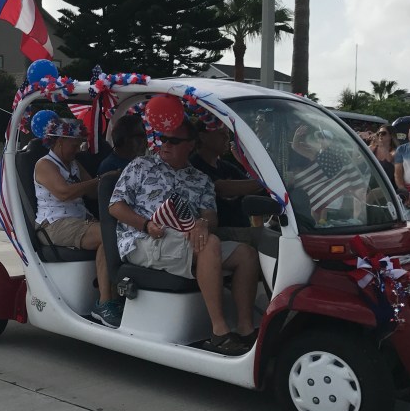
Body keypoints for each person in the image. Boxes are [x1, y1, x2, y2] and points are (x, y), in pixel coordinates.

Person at [108, 118, 260, 355]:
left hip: (184, 239)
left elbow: (211, 217)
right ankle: (219, 332)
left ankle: (245, 328)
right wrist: (146, 224)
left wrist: (202, 224)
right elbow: (115, 206)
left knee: (246, 254)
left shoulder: (201, 179)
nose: (165, 144)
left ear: (191, 144)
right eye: (163, 139)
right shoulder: (141, 166)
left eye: (174, 140)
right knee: (210, 245)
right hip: (144, 239)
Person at [34, 116, 121, 327]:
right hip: (53, 224)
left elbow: (92, 192)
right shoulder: (45, 165)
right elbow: (64, 193)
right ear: (59, 141)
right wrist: (99, 180)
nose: (77, 148)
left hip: (77, 219)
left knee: (120, 230)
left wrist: (109, 182)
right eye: (74, 144)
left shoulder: (73, 164)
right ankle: (104, 302)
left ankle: (115, 297)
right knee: (107, 235)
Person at [190, 122, 263, 242]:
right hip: (218, 233)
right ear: (202, 137)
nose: (227, 138)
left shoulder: (226, 166)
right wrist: (266, 183)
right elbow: (222, 188)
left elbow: (252, 187)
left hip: (241, 229)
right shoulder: (194, 166)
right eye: (222, 134)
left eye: (228, 134)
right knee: (270, 240)